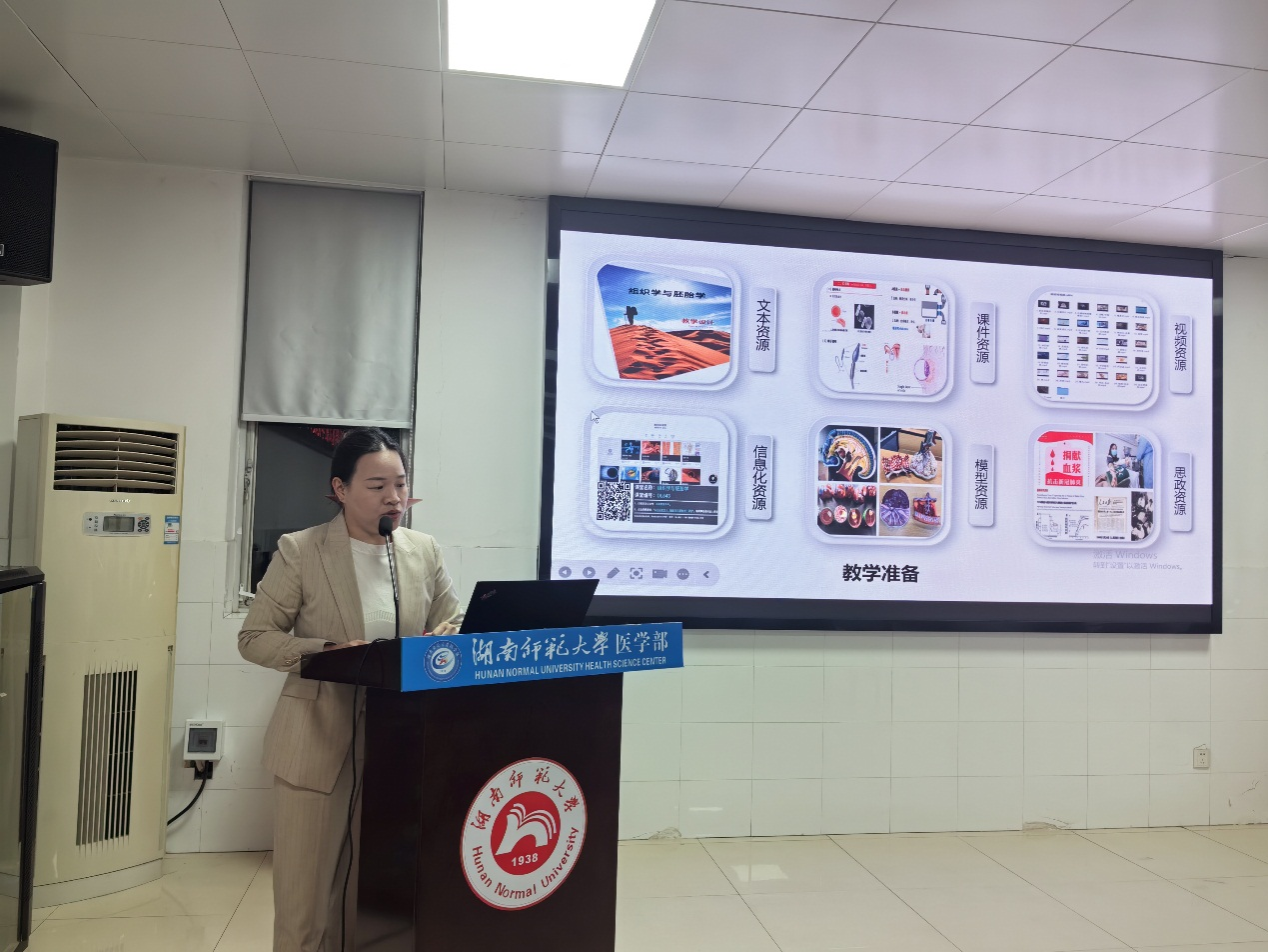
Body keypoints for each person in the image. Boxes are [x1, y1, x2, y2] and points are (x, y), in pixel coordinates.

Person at [238, 427, 462, 952]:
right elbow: (255, 637)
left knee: (373, 898)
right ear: (340, 489)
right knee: (306, 902)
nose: (394, 498)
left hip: (399, 744)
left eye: (401, 484)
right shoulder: (301, 550)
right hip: (317, 741)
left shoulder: (422, 550)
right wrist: (329, 651)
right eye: (377, 486)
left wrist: (437, 642)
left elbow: (453, 620)